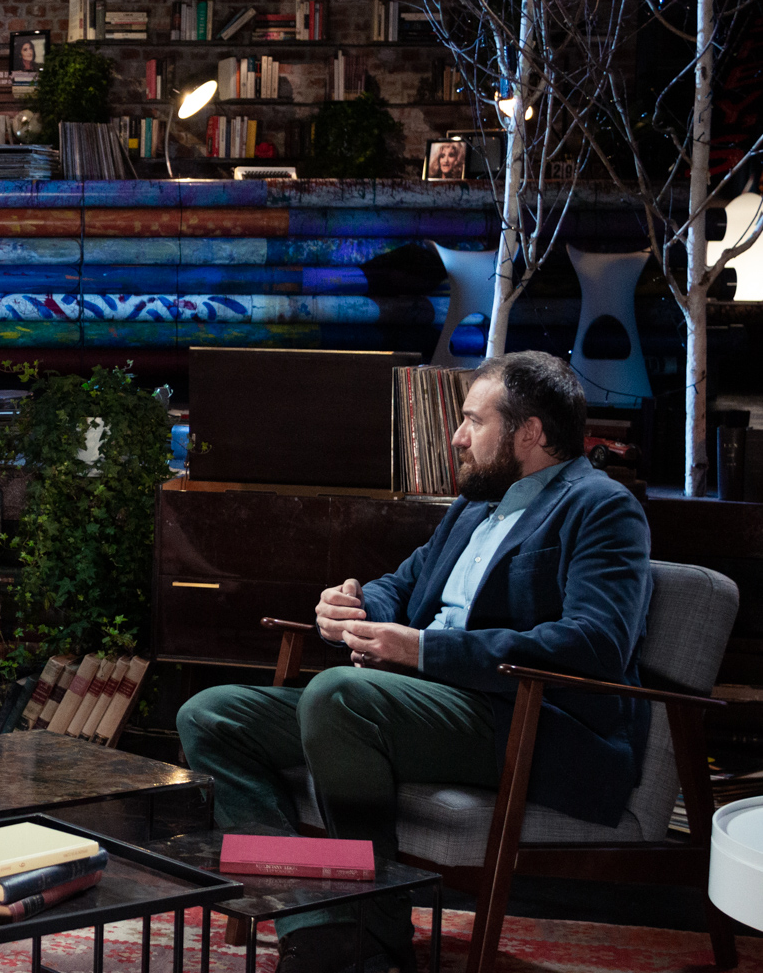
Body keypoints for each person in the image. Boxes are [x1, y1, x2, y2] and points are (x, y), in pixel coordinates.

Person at [178, 351, 651, 973]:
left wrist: (423, 648)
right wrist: (354, 606)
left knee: (339, 695)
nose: (456, 437)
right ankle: (316, 923)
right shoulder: (475, 506)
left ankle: (375, 933)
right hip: (422, 706)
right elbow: (401, 586)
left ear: (530, 432)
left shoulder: (601, 507)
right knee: (211, 715)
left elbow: (596, 643)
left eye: (474, 421)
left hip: (522, 719)